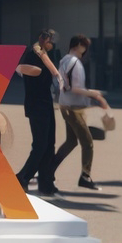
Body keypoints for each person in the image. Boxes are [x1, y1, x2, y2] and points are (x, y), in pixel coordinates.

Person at [50, 34, 109, 191]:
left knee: (71, 141)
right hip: (73, 108)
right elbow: (75, 88)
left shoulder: (64, 60)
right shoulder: (75, 63)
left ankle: (48, 171)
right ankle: (85, 177)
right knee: (87, 142)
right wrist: (94, 94)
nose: (85, 49)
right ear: (77, 45)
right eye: (84, 46)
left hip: (66, 105)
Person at [14, 29, 66, 198]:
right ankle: (22, 177)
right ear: (42, 39)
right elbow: (29, 71)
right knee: (40, 145)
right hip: (37, 105)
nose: (52, 45)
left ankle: (45, 183)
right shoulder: (33, 53)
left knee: (49, 143)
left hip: (46, 103)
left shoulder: (44, 53)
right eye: (50, 41)